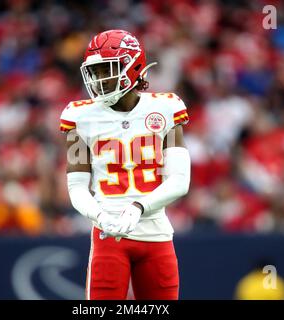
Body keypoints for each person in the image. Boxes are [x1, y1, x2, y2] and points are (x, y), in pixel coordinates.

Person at [61, 29, 191, 300]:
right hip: (108, 236)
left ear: (132, 67)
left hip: (156, 233)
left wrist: (138, 207)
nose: (99, 80)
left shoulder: (166, 108)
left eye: (106, 69)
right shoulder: (79, 116)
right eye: (94, 72)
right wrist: (100, 216)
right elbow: (76, 187)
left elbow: (180, 180)